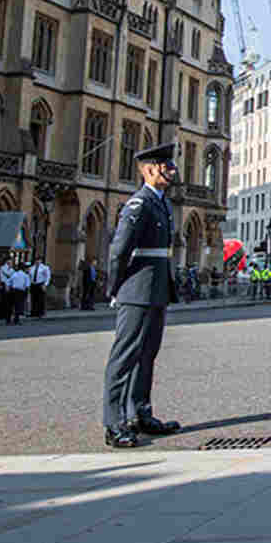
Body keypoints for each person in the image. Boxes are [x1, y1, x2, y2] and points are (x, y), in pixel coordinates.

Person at [101, 141, 182, 449]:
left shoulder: (161, 202)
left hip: (156, 287)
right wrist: (115, 287)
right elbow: (119, 250)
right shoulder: (139, 203)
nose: (172, 171)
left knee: (148, 354)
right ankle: (114, 422)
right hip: (136, 288)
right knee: (124, 357)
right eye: (166, 166)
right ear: (150, 170)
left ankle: (140, 413)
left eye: (171, 166)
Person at [0, 257, 16, 324]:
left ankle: (7, 315)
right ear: (6, 261)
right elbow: (7, 275)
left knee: (8, 301)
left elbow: (13, 277)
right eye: (9, 261)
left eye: (11, 261)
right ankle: (2, 315)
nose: (10, 262)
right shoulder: (2, 268)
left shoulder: (12, 269)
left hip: (10, 285)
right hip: (4, 284)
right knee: (3, 300)